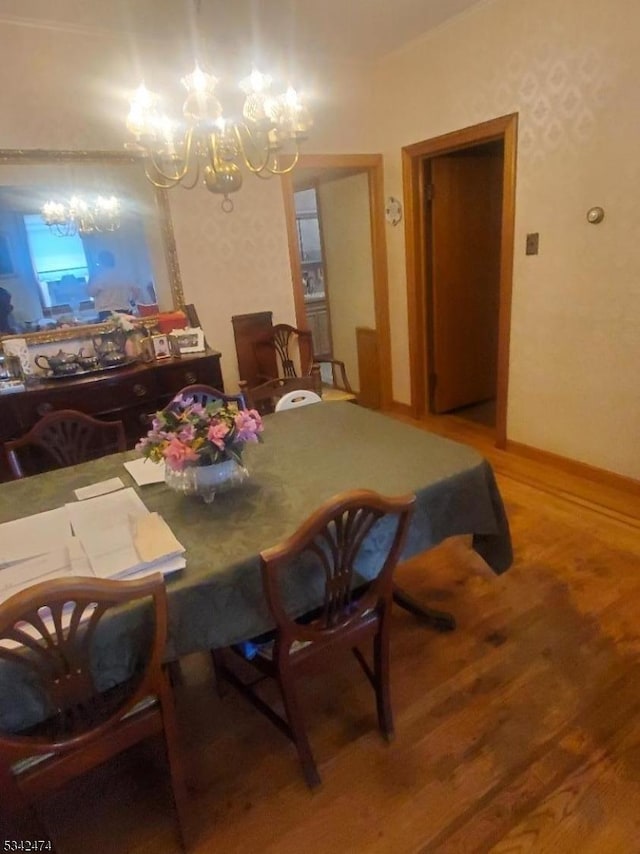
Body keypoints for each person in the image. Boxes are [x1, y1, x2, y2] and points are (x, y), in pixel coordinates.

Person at [87, 250, 139, 321]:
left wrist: (90, 279)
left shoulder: (100, 276)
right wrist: (132, 301)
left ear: (100, 262)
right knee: (128, 330)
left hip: (107, 312)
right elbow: (136, 290)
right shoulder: (124, 274)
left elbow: (91, 293)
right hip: (125, 310)